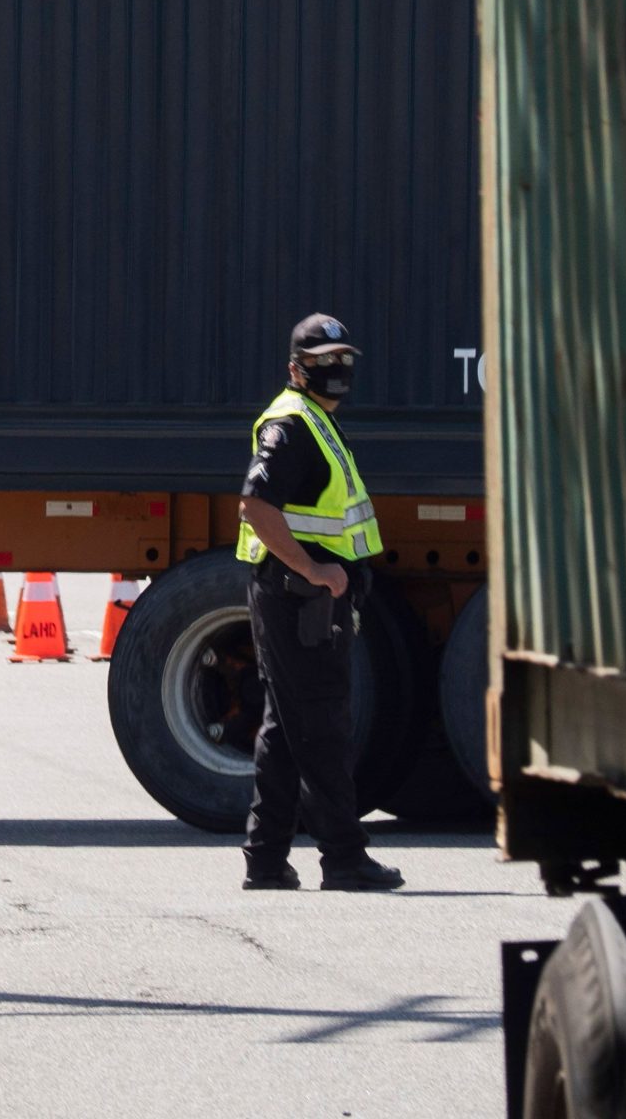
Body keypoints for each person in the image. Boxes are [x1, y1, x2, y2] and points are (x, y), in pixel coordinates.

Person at [236, 314, 405, 892]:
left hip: (303, 598)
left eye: (343, 360)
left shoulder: (317, 420)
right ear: (296, 369)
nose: (336, 371)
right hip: (297, 598)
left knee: (287, 727)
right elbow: (256, 506)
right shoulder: (290, 425)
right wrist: (313, 569)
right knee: (322, 726)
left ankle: (265, 860)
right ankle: (343, 857)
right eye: (322, 362)